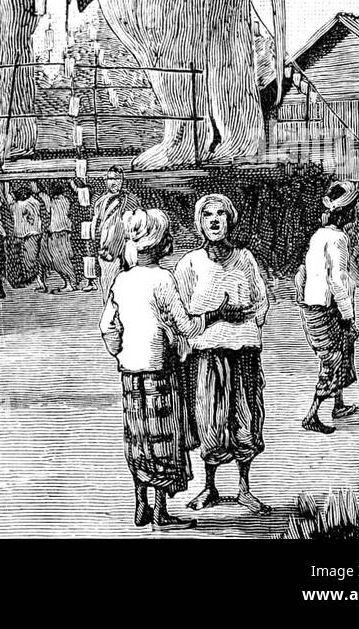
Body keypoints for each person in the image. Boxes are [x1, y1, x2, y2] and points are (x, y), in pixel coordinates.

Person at [100, 208, 231, 529]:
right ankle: (160, 514)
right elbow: (188, 327)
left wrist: (122, 353)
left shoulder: (122, 279)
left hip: (130, 371)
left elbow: (106, 326)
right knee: (163, 439)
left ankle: (140, 506)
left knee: (138, 437)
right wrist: (216, 313)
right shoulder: (162, 279)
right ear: (159, 244)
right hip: (160, 369)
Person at [175, 193, 270, 514]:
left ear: (231, 220)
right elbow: (181, 312)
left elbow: (261, 301)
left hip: (243, 351)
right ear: (199, 223)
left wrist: (244, 319)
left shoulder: (245, 258)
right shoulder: (189, 263)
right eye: (207, 215)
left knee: (246, 420)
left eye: (221, 214)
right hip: (206, 355)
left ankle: (244, 489)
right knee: (210, 422)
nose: (214, 220)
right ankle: (210, 487)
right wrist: (213, 317)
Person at [295, 180, 359, 434]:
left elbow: (304, 274)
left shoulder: (319, 235)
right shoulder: (337, 238)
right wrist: (348, 314)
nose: (356, 211)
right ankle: (312, 413)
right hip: (326, 309)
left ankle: (339, 404)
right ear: (345, 211)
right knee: (332, 359)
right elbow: (337, 279)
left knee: (342, 349)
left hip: (314, 305)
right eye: (353, 207)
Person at [93, 167, 140, 299]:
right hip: (107, 252)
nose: (113, 182)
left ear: (122, 180)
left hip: (126, 251)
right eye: (110, 179)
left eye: (117, 179)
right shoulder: (100, 202)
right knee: (108, 289)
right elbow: (97, 225)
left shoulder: (130, 200)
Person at [39, 182, 77, 293]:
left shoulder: (53, 201)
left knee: (61, 259)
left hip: (59, 233)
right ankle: (69, 282)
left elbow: (42, 195)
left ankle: (71, 283)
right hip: (61, 232)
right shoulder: (65, 200)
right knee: (60, 259)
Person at [9, 184, 44, 288]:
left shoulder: (18, 205)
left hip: (29, 235)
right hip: (28, 235)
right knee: (28, 259)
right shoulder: (34, 202)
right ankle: (36, 280)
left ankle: (39, 281)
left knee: (30, 259)